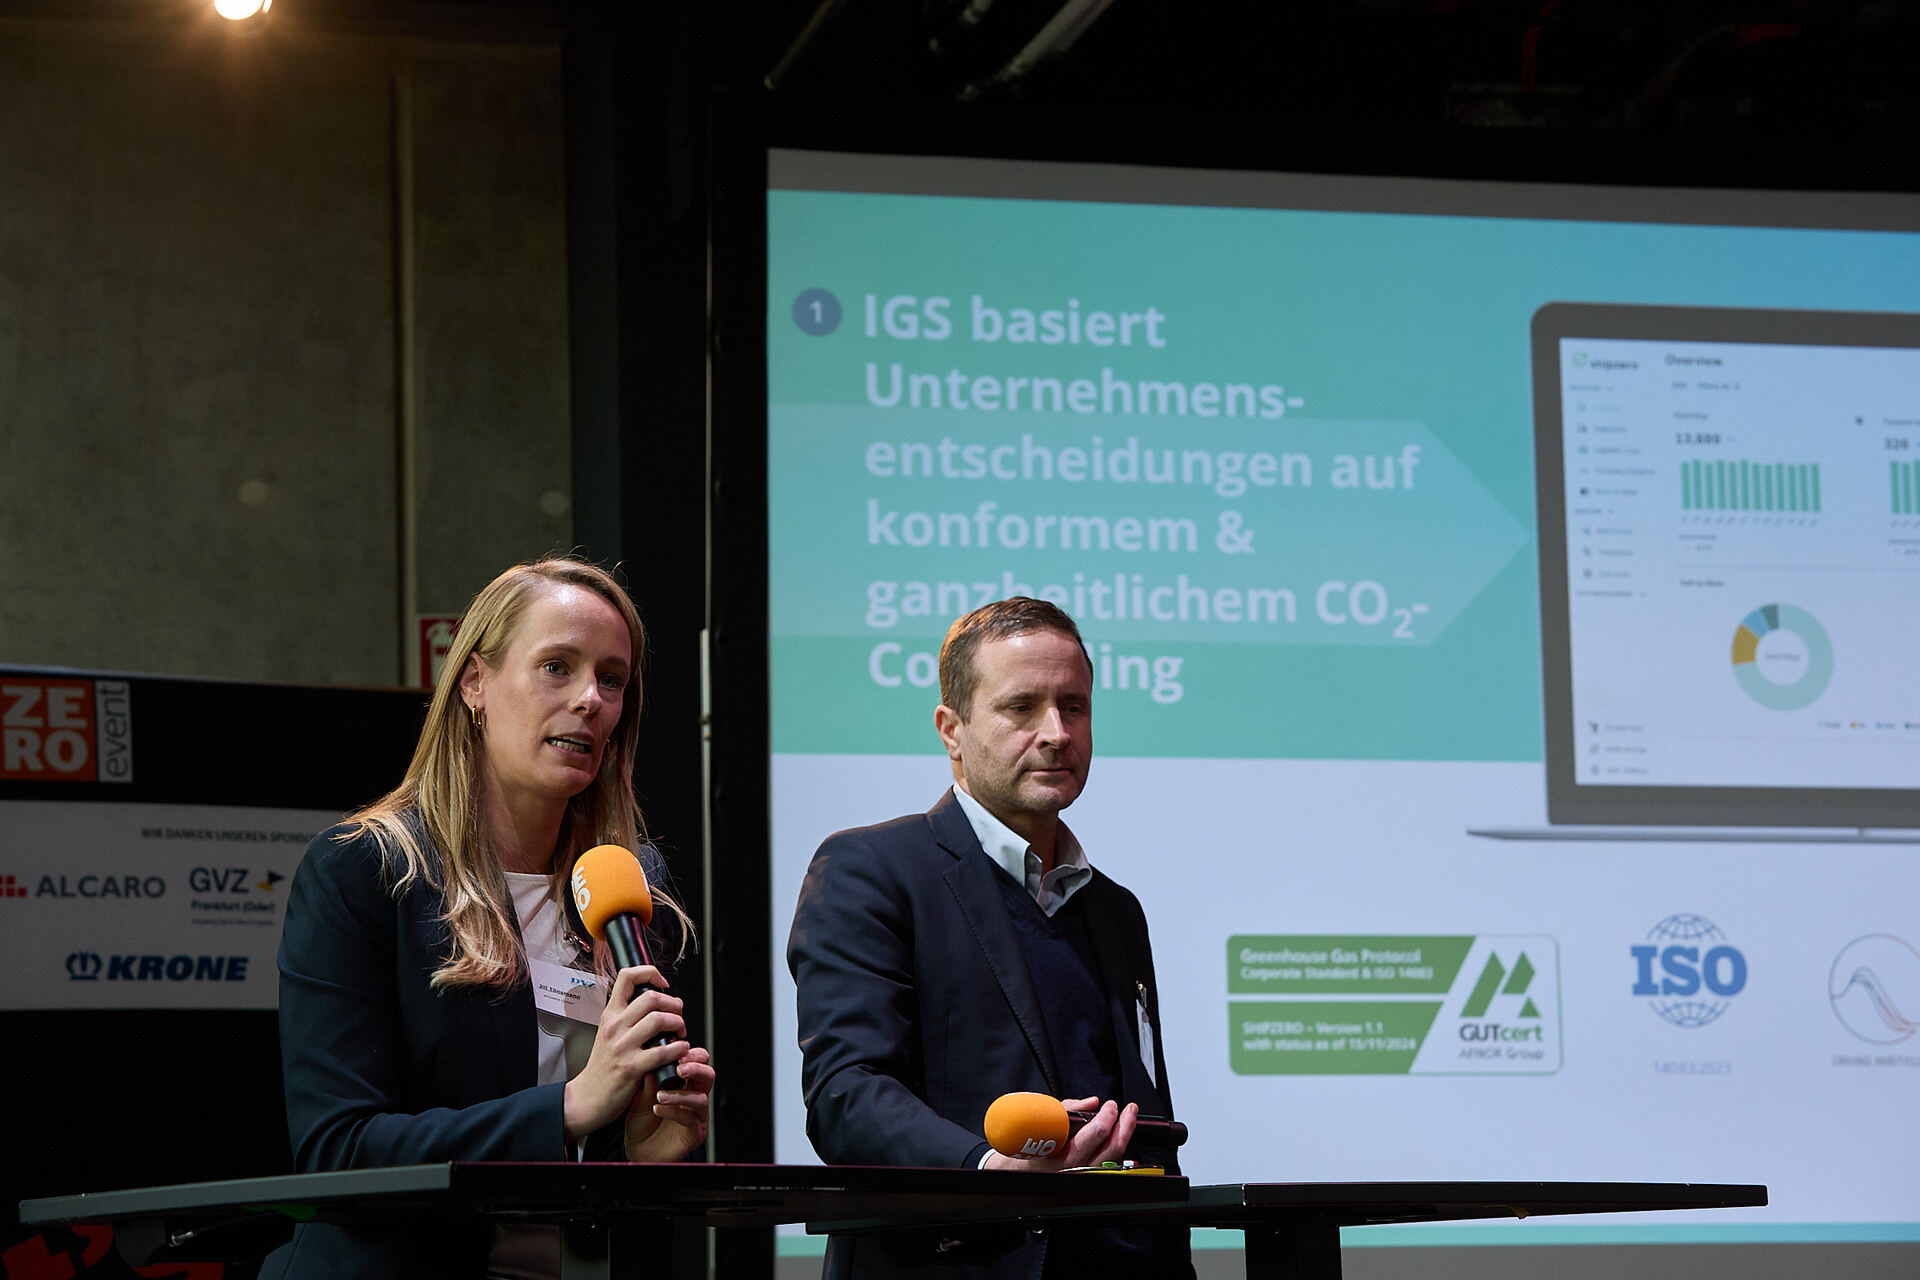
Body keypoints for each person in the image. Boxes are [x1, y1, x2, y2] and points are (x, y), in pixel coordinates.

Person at [261, 557, 715, 1280]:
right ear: (474, 682)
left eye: (612, 679)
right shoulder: (367, 869)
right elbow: (336, 1150)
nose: (590, 700)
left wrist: (639, 1151)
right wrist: (567, 1108)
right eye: (557, 667)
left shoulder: (628, 882)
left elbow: (598, 1156)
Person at [788, 598, 1190, 1280]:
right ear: (951, 730)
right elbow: (846, 1094)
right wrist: (986, 1167)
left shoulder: (1117, 909)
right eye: (1021, 708)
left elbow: (1146, 1117)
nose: (1056, 733)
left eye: (1074, 706)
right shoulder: (873, 870)